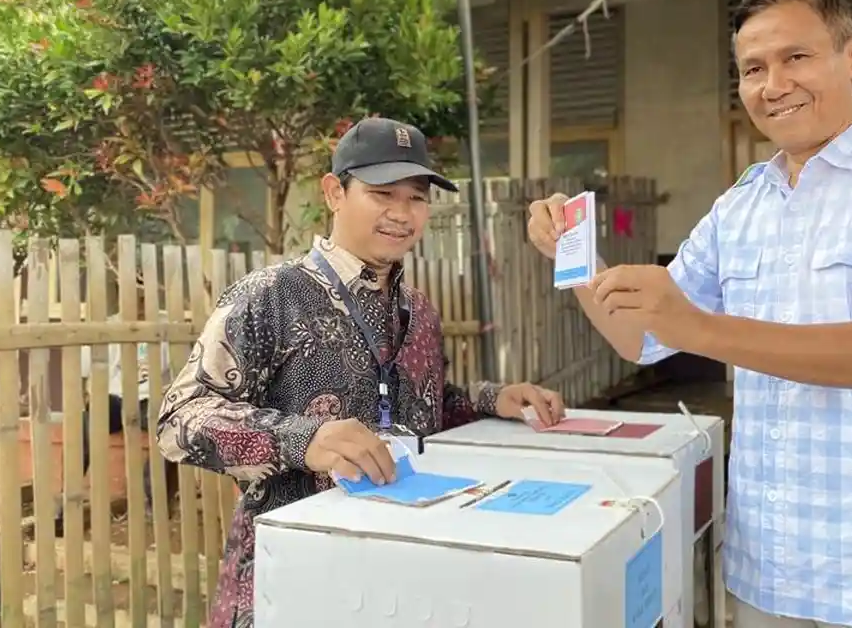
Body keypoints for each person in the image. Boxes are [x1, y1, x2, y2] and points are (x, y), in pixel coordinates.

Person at [528, 0, 852, 628]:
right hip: (765, 575)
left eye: (796, 57)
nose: (774, 84)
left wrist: (696, 324)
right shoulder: (741, 205)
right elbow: (641, 339)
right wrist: (572, 259)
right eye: (753, 68)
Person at [157, 116, 566, 628]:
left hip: (396, 576)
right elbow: (179, 419)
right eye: (382, 193)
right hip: (289, 580)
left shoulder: (419, 310)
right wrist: (302, 438)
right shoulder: (271, 296)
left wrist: (491, 400)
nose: (402, 213)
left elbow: (417, 407)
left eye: (416, 197)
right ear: (334, 192)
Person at [55, 296, 176, 536]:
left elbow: (179, 368)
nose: (139, 304)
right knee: (83, 428)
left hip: (150, 396)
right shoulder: (109, 325)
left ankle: (154, 498)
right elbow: (84, 369)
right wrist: (88, 396)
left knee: (168, 427)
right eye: (134, 297)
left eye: (143, 298)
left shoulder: (166, 326)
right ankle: (67, 499)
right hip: (113, 396)